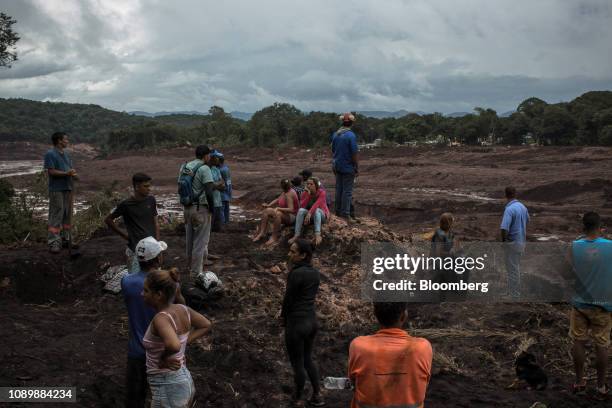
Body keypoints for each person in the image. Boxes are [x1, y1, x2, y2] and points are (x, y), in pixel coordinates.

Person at [121, 236, 185, 408]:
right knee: (164, 398)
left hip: (136, 352)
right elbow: (182, 310)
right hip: (162, 354)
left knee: (134, 398)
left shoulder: (126, 282)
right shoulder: (170, 286)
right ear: (158, 259)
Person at [143, 268, 212, 408]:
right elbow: (206, 325)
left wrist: (163, 358)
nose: (141, 294)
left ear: (158, 294)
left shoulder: (161, 319)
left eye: (146, 291)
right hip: (180, 379)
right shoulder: (183, 310)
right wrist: (185, 341)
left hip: (168, 385)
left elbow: (174, 345)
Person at [348, 302, 432, 408]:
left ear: (375, 314)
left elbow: (354, 382)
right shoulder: (422, 347)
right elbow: (424, 383)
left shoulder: (358, 346)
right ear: (404, 316)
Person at [568, 212, 611, 400]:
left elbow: (568, 271)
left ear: (583, 226)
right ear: (600, 226)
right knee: (601, 344)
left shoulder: (574, 246)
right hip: (603, 304)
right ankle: (601, 387)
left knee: (579, 341)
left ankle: (579, 382)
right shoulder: (610, 247)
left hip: (580, 303)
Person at [280, 239, 325, 407]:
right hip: (311, 321)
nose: (289, 254)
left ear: (303, 255)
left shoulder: (295, 273)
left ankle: (297, 397)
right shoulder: (315, 273)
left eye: (293, 252)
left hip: (296, 323)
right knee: (308, 359)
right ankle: (317, 395)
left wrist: (283, 317)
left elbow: (288, 299)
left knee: (297, 363)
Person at [106, 173, 159, 274]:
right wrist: (126, 236)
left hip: (152, 249)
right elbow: (108, 220)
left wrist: (157, 246)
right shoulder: (126, 205)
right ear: (137, 187)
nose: (149, 189)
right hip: (134, 250)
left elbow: (155, 223)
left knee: (153, 281)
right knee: (135, 280)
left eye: (149, 185)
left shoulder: (151, 200)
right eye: (146, 186)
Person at [181, 145, 216, 278]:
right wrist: (212, 209)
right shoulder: (205, 168)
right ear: (206, 156)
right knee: (200, 242)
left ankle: (189, 266)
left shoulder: (185, 166)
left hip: (187, 208)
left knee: (189, 240)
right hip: (200, 209)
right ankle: (196, 273)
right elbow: (209, 191)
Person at [43, 132, 78, 254]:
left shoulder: (66, 155)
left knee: (67, 215)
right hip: (57, 189)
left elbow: (69, 170)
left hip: (67, 188)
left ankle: (66, 239)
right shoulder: (50, 154)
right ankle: (54, 242)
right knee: (56, 214)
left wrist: (73, 175)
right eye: (65, 139)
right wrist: (67, 174)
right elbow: (51, 172)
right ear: (59, 141)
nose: (67, 141)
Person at [500, 186, 529, 299]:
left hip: (512, 244)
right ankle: (511, 292)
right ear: (515, 194)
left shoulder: (509, 209)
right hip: (521, 242)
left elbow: (504, 228)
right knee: (513, 268)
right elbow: (527, 220)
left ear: (506, 195)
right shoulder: (522, 207)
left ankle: (514, 295)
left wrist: (504, 242)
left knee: (513, 269)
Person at [252, 179, 299, 246]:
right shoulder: (284, 192)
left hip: (292, 216)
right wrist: (269, 205)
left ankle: (274, 237)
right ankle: (261, 233)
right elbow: (278, 199)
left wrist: (278, 208)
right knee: (267, 210)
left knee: (278, 214)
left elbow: (291, 209)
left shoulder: (290, 194)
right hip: (285, 213)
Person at [331, 113, 359, 222]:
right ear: (351, 123)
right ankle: (346, 214)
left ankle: (337, 212)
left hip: (337, 166)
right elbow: (354, 153)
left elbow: (333, 150)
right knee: (347, 191)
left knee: (339, 189)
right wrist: (356, 166)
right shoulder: (351, 136)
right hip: (347, 167)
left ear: (342, 122)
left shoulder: (336, 134)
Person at [289, 177, 329, 247]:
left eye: (311, 184)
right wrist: (308, 195)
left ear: (316, 185)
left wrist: (309, 213)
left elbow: (317, 204)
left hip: (321, 214)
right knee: (301, 211)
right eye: (308, 184)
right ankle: (297, 235)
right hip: (311, 216)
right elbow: (302, 206)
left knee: (316, 210)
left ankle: (317, 234)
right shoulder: (305, 193)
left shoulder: (322, 192)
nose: (309, 185)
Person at [209, 151, 226, 232]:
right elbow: (210, 187)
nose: (217, 159)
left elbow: (223, 186)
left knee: (217, 228)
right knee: (209, 228)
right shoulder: (205, 170)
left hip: (218, 201)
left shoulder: (216, 169)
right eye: (215, 157)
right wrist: (219, 184)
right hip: (210, 203)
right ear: (210, 158)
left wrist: (215, 185)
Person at [219, 154, 232, 224]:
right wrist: (229, 192)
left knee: (222, 209)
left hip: (222, 193)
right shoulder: (226, 168)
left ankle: (223, 223)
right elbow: (229, 182)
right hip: (227, 193)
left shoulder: (221, 170)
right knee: (226, 209)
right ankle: (226, 222)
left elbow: (226, 182)